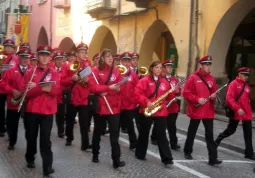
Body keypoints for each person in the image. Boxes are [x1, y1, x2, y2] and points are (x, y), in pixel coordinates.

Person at [22, 45, 60, 176]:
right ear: (38, 56)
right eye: (42, 54)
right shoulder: (29, 72)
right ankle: (30, 158)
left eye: (47, 55)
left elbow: (56, 91)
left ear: (50, 57)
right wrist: (45, 88)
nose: (44, 57)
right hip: (32, 110)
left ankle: (47, 167)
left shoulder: (54, 72)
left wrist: (38, 87)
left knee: (45, 140)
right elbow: (27, 93)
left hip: (47, 112)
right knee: (31, 137)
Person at [88, 48, 125, 169]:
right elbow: (93, 88)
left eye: (111, 56)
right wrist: (108, 88)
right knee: (98, 132)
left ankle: (116, 160)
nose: (110, 58)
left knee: (115, 134)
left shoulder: (116, 72)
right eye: (107, 56)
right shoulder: (95, 71)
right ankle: (95, 154)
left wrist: (119, 88)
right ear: (102, 59)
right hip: (101, 107)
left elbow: (121, 85)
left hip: (113, 107)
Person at [182, 55, 222, 166]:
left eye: (210, 65)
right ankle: (187, 151)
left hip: (208, 111)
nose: (209, 67)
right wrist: (197, 99)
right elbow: (186, 93)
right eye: (207, 65)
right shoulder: (193, 78)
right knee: (192, 133)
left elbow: (215, 93)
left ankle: (213, 158)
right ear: (202, 65)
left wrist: (214, 96)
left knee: (210, 135)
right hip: (196, 110)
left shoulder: (212, 79)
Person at [134, 60, 174, 166]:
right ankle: (140, 154)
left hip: (160, 111)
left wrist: (173, 90)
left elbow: (169, 96)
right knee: (144, 133)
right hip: (148, 110)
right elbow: (137, 94)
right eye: (156, 68)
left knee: (161, 134)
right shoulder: (144, 81)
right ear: (151, 68)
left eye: (160, 68)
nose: (159, 70)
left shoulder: (165, 82)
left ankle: (167, 158)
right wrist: (146, 102)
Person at [215, 67, 255, 160]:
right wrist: (237, 108)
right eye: (244, 75)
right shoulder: (233, 84)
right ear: (240, 74)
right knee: (230, 130)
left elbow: (247, 100)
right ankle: (217, 141)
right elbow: (229, 99)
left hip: (246, 114)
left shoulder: (247, 86)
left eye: (247, 75)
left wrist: (248, 112)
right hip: (236, 112)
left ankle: (249, 153)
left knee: (248, 133)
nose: (246, 77)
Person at [61, 43, 92, 150]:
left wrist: (88, 81)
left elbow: (92, 81)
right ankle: (69, 138)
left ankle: (85, 144)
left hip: (83, 97)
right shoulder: (67, 65)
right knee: (70, 119)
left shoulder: (88, 65)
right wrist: (71, 79)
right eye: (82, 52)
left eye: (86, 52)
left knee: (84, 122)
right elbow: (62, 81)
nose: (84, 54)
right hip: (72, 97)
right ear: (77, 53)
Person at [1, 48, 31, 150]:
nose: (25, 59)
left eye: (27, 57)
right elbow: (3, 83)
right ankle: (12, 141)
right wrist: (12, 90)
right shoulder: (11, 70)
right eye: (23, 57)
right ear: (18, 58)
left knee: (29, 125)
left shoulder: (33, 70)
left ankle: (30, 146)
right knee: (12, 123)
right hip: (13, 101)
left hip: (27, 102)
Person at [150, 59, 181, 150]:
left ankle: (173, 143)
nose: (170, 68)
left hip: (173, 106)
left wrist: (178, 91)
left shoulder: (175, 80)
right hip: (164, 106)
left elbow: (178, 92)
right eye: (168, 67)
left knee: (172, 125)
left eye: (171, 67)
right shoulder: (161, 79)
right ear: (163, 68)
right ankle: (154, 137)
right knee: (160, 124)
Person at [119, 52, 138, 150]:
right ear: (121, 62)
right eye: (124, 61)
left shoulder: (133, 75)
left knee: (130, 125)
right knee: (116, 125)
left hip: (129, 104)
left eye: (128, 61)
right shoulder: (117, 72)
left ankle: (133, 143)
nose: (126, 63)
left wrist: (134, 100)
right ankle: (115, 143)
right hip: (118, 104)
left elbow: (137, 88)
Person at [0, 39, 18, 137]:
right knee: (0, 108)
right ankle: (1, 128)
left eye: (10, 47)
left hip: (11, 86)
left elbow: (15, 69)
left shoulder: (15, 58)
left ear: (12, 48)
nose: (8, 48)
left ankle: (9, 127)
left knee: (11, 109)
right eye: (6, 46)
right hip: (1, 87)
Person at [53, 52, 65, 138]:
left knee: (60, 115)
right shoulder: (50, 70)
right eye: (57, 59)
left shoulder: (65, 70)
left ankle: (61, 131)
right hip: (52, 96)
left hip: (61, 97)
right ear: (54, 61)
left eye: (61, 60)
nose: (59, 61)